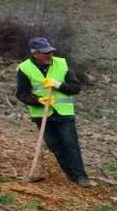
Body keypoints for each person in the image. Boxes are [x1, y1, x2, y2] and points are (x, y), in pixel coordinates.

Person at [15, 37, 89, 186]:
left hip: (64, 113)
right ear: (35, 54)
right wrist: (38, 100)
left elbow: (75, 88)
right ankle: (71, 175)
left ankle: (81, 177)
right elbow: (22, 94)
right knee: (55, 146)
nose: (49, 55)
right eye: (45, 52)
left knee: (70, 144)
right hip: (42, 114)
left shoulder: (61, 63)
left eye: (50, 51)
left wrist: (57, 84)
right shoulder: (24, 68)